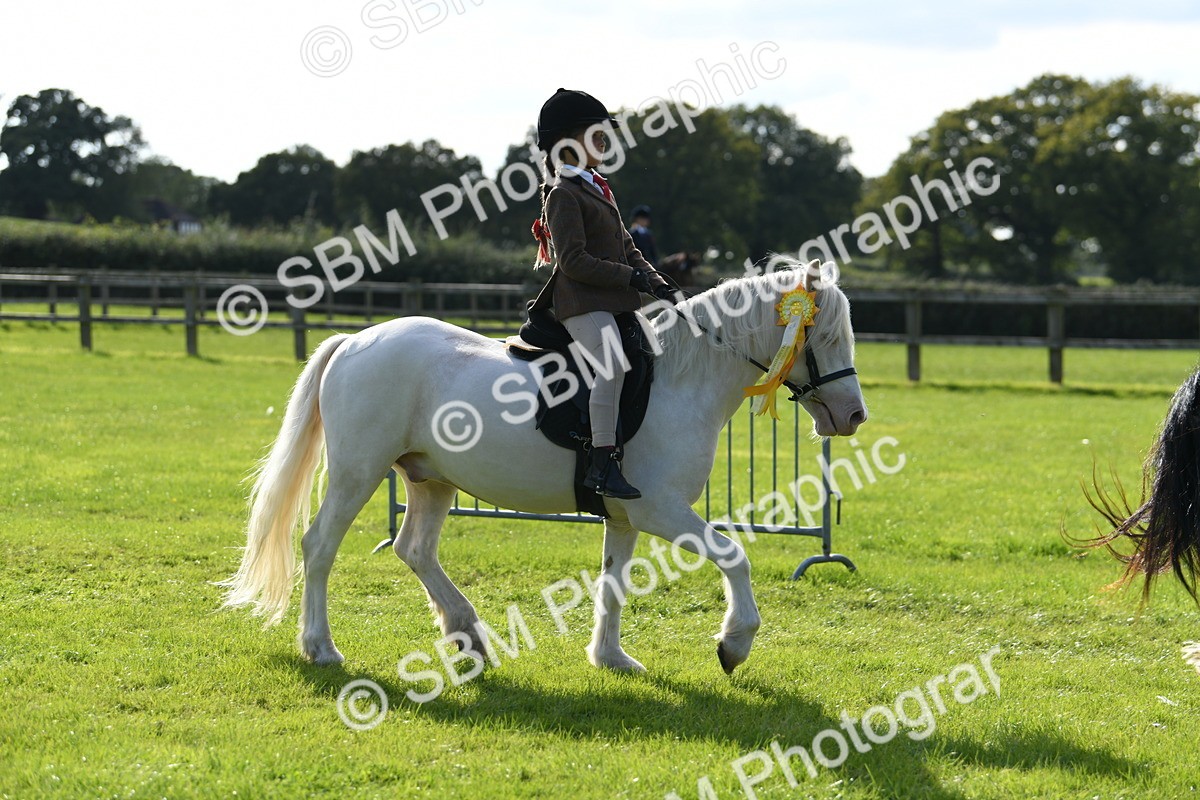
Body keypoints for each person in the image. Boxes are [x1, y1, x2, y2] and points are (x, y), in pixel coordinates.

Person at [528, 88, 675, 500]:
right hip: (580, 303)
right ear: (569, 142)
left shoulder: (598, 187)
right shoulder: (562, 193)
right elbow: (573, 261)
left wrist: (658, 282)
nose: (605, 141)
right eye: (596, 133)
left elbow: (628, 246)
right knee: (611, 365)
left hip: (612, 302)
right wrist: (630, 277)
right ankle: (602, 464)